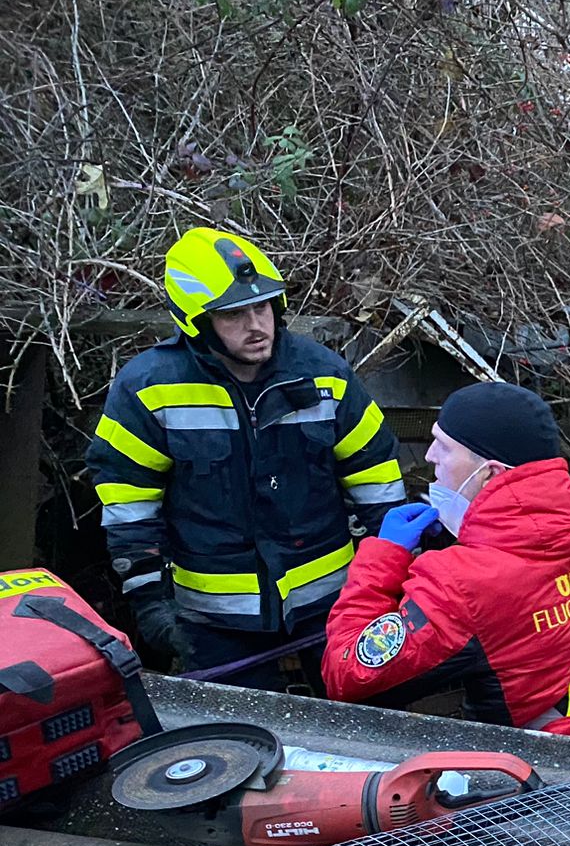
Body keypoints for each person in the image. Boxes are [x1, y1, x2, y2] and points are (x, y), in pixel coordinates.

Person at [320, 381, 570, 752]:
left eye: (443, 447)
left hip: (539, 791)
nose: (429, 457)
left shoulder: (458, 581)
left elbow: (348, 676)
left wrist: (383, 557)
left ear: (490, 473)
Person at [86, 227, 405, 688]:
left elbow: (378, 483)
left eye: (263, 307)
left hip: (334, 609)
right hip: (215, 625)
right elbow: (128, 502)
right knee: (239, 750)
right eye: (233, 314)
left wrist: (390, 577)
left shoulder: (325, 376)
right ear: (197, 322)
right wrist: (151, 603)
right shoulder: (150, 390)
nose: (256, 325)